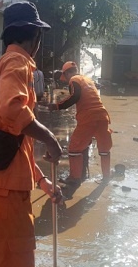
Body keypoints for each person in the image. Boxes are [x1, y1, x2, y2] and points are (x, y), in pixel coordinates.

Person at [0, 1, 63, 267]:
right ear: (35, 37)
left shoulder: (2, 63)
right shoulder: (19, 61)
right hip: (3, 191)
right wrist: (50, 138)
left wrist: (43, 183)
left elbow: (12, 143)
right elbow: (11, 109)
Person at [48, 61, 112, 192]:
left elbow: (74, 97)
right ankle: (106, 177)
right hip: (103, 116)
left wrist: (57, 106)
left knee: (74, 149)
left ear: (66, 73)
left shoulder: (74, 79)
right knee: (104, 149)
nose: (65, 81)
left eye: (64, 77)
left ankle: (74, 178)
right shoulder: (87, 80)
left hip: (88, 117)